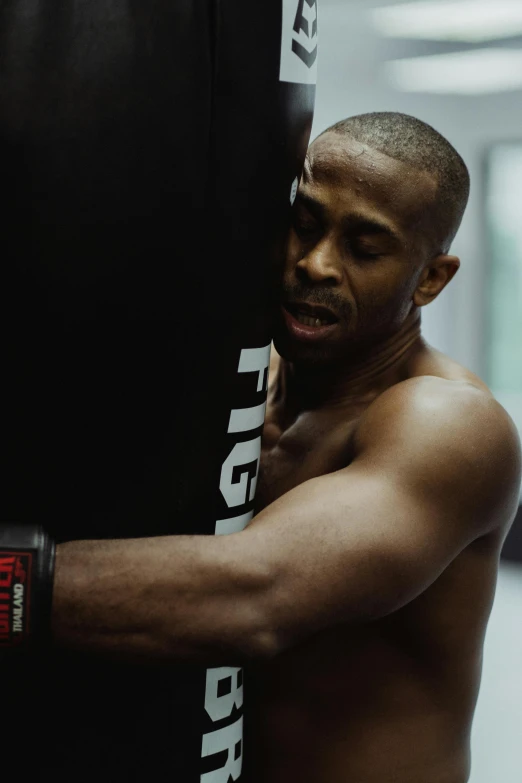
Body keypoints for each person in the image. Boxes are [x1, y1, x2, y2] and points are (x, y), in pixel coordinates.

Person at [50, 113, 521, 782]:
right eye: (306, 223)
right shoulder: (253, 383)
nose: (314, 262)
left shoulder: (450, 424)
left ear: (430, 279)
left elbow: (256, 593)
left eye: (364, 247)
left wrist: (15, 580)